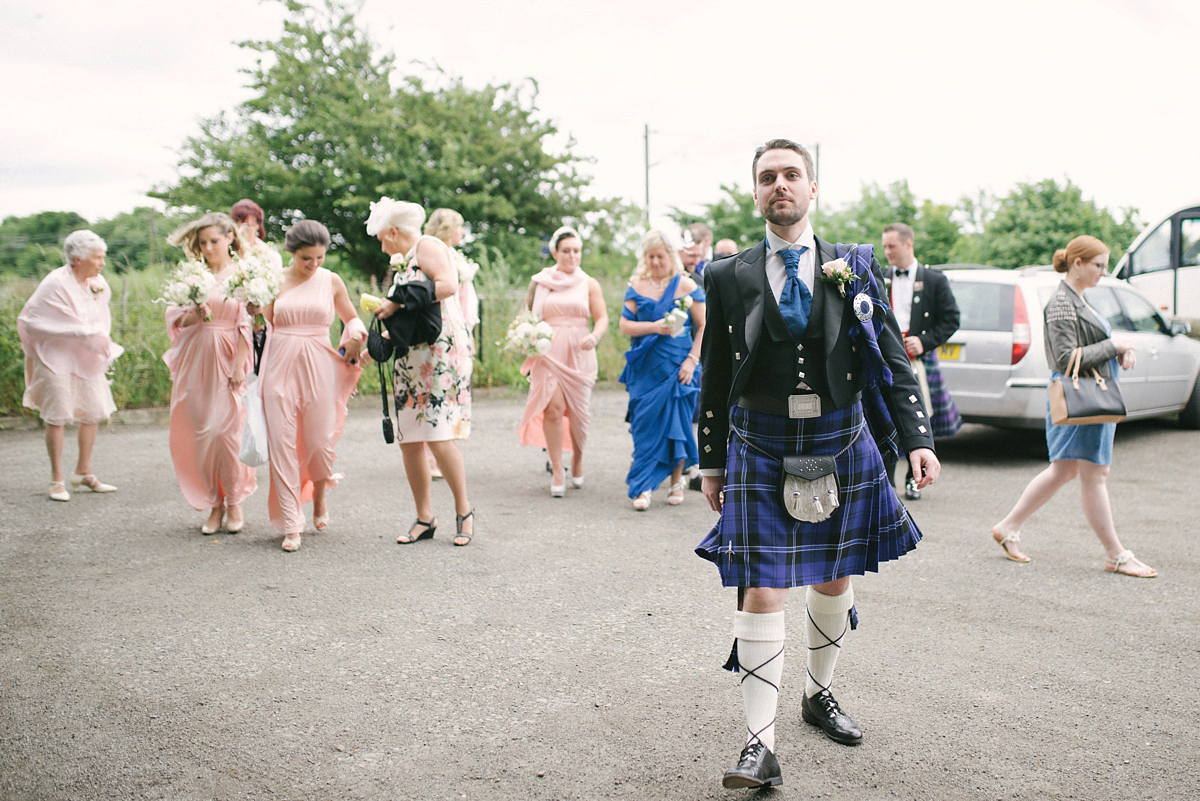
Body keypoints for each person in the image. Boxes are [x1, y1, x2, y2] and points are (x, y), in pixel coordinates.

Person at [694, 139, 940, 789]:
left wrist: (918, 437)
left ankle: (818, 693)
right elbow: (716, 375)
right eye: (768, 176)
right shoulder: (726, 276)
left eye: (791, 174)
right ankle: (758, 743)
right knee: (764, 585)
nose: (780, 184)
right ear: (755, 193)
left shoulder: (856, 266)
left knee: (833, 579)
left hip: (841, 437)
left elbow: (890, 359)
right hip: (759, 441)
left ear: (812, 189)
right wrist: (709, 460)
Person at [991, 235, 1156, 578]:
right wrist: (1114, 345)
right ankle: (1116, 555)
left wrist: (1119, 348)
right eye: (1098, 265)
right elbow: (1066, 359)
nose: (1103, 272)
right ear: (1077, 263)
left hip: (1085, 399)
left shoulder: (1077, 298)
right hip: (1082, 400)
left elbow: (1088, 346)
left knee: (1065, 469)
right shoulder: (1063, 302)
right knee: (1094, 474)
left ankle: (1008, 526)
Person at [366, 198, 476, 546]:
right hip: (411, 356)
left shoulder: (427, 246)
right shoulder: (403, 262)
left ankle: (464, 510)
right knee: (410, 440)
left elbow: (447, 285)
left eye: (383, 239)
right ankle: (424, 517)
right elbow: (414, 311)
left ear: (393, 232)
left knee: (439, 436)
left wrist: (396, 300)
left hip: (439, 356)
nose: (383, 248)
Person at [257, 220, 365, 552]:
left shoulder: (331, 280)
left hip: (319, 365)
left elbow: (351, 317)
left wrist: (357, 336)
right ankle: (291, 523)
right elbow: (264, 322)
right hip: (279, 366)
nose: (314, 265)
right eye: (307, 258)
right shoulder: (270, 282)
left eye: (319, 258)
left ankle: (319, 494)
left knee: (319, 442)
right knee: (283, 444)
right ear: (292, 252)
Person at [163, 212, 258, 534]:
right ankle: (213, 504)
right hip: (195, 359)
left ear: (229, 238)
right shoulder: (193, 276)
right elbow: (175, 320)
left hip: (228, 356)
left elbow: (246, 323)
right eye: (202, 243)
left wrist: (237, 367)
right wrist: (195, 314)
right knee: (202, 434)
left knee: (225, 435)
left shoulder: (244, 275)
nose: (207, 247)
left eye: (213, 241)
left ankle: (235, 502)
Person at [17, 230, 124, 501]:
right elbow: (33, 321)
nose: (102, 263)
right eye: (97, 258)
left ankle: (83, 472)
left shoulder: (97, 282)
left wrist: (96, 338)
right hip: (54, 356)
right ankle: (57, 479)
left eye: (103, 257)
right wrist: (77, 331)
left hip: (84, 354)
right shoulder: (55, 284)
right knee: (58, 414)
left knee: (91, 411)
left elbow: (101, 317)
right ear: (77, 259)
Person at [517, 225, 609, 496]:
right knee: (553, 409)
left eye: (577, 251)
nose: (572, 256)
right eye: (566, 250)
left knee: (579, 415)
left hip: (580, 351)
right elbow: (527, 315)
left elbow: (601, 317)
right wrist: (526, 336)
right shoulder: (541, 281)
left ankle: (577, 459)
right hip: (548, 352)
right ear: (555, 252)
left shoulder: (589, 283)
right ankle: (557, 469)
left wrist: (594, 335)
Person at [618, 230, 705, 510]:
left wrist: (692, 360)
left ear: (671, 256)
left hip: (678, 365)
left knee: (677, 424)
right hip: (646, 367)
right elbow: (624, 326)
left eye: (660, 256)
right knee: (644, 426)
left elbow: (704, 326)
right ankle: (643, 486)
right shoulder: (637, 285)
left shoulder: (686, 286)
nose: (655, 262)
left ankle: (676, 481)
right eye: (650, 256)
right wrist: (655, 327)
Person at [881, 222, 963, 500]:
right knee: (886, 419)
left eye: (892, 246)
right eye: (885, 247)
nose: (887, 252)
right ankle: (887, 484)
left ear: (908, 244)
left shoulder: (934, 280)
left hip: (919, 359)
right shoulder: (881, 277)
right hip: (886, 357)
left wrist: (924, 342)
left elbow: (951, 319)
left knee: (920, 418)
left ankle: (913, 480)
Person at [421, 208, 479, 480]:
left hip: (459, 326)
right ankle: (432, 457)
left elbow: (468, 299)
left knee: (450, 390)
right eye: (459, 226)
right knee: (435, 389)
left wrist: (468, 334)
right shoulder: (432, 253)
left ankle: (444, 449)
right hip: (439, 325)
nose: (462, 232)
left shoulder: (456, 256)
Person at [230, 199, 284, 273]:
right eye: (238, 226)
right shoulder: (227, 251)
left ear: (257, 225)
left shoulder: (271, 255)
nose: (241, 231)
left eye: (247, 226)